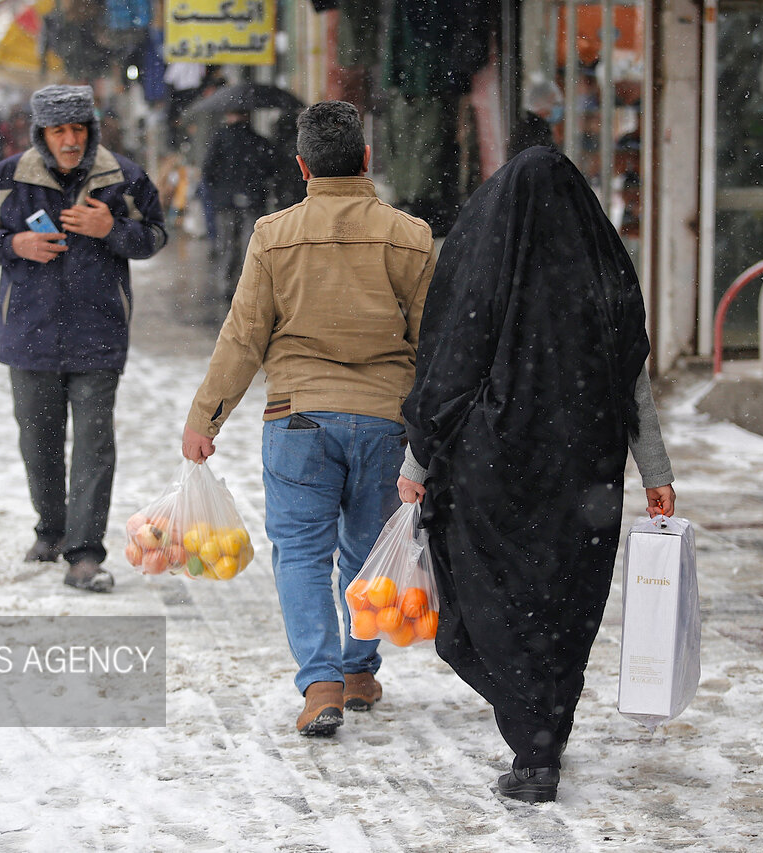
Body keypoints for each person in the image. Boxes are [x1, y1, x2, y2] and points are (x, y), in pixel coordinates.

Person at [396, 146, 675, 803]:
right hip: (585, 476)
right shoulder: (600, 269)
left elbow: (450, 369)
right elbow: (629, 375)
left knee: (496, 607)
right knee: (563, 604)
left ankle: (534, 742)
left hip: (494, 475)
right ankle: (544, 730)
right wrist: (655, 469)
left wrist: (417, 457)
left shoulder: (486, 264)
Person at [182, 101, 435, 736]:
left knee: (299, 552)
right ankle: (357, 668)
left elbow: (243, 336)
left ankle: (320, 685)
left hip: (297, 419)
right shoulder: (411, 235)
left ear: (302, 167)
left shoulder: (273, 235)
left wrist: (205, 419)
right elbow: (437, 342)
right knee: (365, 548)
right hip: (385, 422)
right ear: (367, 160)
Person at [0, 84, 168, 593]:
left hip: (99, 335)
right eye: (59, 130)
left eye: (78, 128)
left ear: (91, 129)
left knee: (94, 446)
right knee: (39, 443)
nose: (70, 139)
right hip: (28, 335)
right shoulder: (7, 178)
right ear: (42, 134)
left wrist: (111, 229)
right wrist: (15, 243)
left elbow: (156, 236)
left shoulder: (124, 177)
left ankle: (85, 553)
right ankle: (51, 530)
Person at [200, 109, 280, 301]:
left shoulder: (220, 139)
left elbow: (208, 170)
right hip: (253, 200)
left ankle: (227, 283)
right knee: (250, 243)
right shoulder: (259, 141)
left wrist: (219, 190)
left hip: (226, 201)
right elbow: (271, 169)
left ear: (229, 116)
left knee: (228, 243)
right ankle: (249, 285)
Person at [508, 79, 563, 160]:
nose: (556, 107)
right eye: (554, 103)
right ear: (539, 102)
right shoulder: (534, 132)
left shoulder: (529, 127)